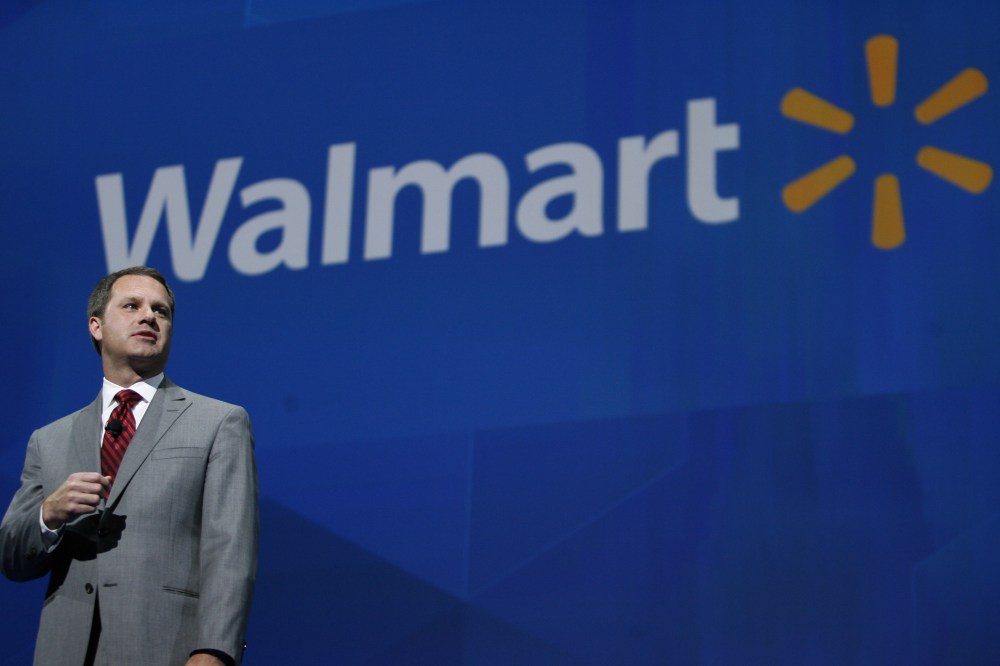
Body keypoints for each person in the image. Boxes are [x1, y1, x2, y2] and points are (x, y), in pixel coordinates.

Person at [0, 266, 258, 666]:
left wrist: (214, 650)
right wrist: (48, 514)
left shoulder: (218, 421)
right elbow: (11, 559)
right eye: (132, 305)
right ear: (97, 326)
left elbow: (230, 550)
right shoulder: (48, 440)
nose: (149, 317)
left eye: (162, 311)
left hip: (166, 648)